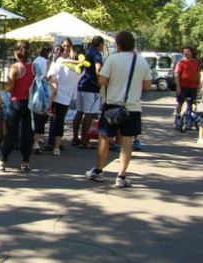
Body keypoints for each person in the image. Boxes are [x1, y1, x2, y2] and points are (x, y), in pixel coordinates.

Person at [85, 31, 151, 188]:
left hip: (113, 104)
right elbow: (148, 86)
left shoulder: (112, 59)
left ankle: (99, 171)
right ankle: (121, 176)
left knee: (105, 138)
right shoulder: (141, 61)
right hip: (133, 107)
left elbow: (102, 80)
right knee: (127, 140)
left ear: (118, 44)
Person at [0, 40, 34, 172]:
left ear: (16, 52)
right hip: (29, 102)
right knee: (27, 133)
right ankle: (25, 162)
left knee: (10, 132)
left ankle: (2, 161)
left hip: (16, 102)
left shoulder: (15, 68)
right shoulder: (34, 67)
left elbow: (11, 87)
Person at [45, 38, 83, 156]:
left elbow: (50, 75)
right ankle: (56, 147)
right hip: (67, 98)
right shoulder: (81, 70)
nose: (67, 50)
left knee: (52, 120)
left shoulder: (62, 61)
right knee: (60, 122)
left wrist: (51, 83)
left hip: (56, 95)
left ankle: (50, 144)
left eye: (70, 48)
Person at [72, 36, 104, 149]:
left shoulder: (88, 51)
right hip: (91, 86)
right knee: (89, 113)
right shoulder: (97, 54)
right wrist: (99, 81)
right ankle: (84, 140)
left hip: (82, 84)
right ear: (100, 44)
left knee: (79, 111)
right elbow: (98, 67)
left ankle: (75, 137)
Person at [32, 43, 52, 154]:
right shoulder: (45, 62)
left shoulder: (35, 60)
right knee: (41, 114)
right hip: (42, 90)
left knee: (35, 115)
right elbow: (46, 77)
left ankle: (35, 138)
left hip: (34, 89)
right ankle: (36, 141)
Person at [174, 45, 200, 126]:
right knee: (180, 102)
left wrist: (198, 83)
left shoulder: (195, 62)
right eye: (185, 52)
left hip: (193, 87)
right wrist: (178, 87)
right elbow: (177, 74)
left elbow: (198, 73)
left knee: (190, 103)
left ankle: (189, 119)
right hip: (183, 86)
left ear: (191, 52)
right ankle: (177, 118)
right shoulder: (181, 62)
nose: (186, 53)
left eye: (188, 52)